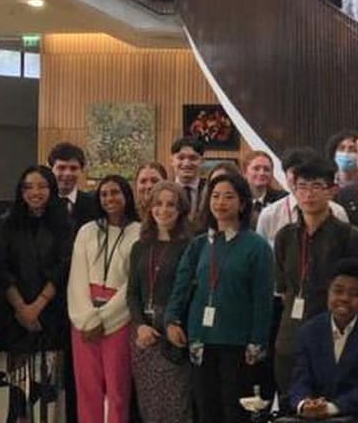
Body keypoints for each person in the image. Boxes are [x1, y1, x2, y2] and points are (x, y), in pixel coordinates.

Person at [165, 173, 274, 423]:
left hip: (238, 344)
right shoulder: (199, 244)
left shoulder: (257, 247)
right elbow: (180, 287)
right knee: (206, 410)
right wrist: (171, 320)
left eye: (228, 196)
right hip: (200, 340)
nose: (220, 202)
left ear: (243, 203)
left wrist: (257, 343)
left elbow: (263, 301)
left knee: (234, 412)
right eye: (215, 196)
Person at [273, 158, 358, 395]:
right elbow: (283, 288)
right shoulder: (285, 236)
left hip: (331, 335)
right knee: (289, 405)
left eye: (316, 186)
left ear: (332, 190)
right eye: (302, 187)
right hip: (289, 336)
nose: (308, 194)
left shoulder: (349, 236)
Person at [0, 166, 73, 423]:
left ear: (51, 189)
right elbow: (1, 268)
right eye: (28, 186)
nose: (35, 192)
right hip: (14, 320)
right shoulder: (6, 224)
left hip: (50, 319)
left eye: (41, 186)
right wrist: (21, 308)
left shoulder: (64, 224)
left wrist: (36, 307)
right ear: (21, 191)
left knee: (48, 395)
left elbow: (63, 268)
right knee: (16, 393)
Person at [67, 174, 141, 423]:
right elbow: (77, 278)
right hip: (84, 319)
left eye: (115, 192)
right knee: (87, 389)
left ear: (126, 196)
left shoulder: (140, 232)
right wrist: (87, 320)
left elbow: (132, 284)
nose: (110, 198)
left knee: (117, 388)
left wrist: (104, 319)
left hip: (118, 319)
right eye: (104, 194)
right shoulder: (87, 231)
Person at [286, 259, 358, 421]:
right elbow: (300, 379)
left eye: (354, 294)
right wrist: (303, 404)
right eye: (338, 291)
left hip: (356, 416)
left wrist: (330, 408)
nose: (344, 298)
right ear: (328, 293)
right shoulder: (308, 331)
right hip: (313, 417)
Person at [126, 181, 192, 423]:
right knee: (149, 408)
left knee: (176, 407)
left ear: (181, 210)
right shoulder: (140, 247)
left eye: (171, 205)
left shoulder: (190, 246)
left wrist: (171, 323)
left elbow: (187, 293)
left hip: (172, 334)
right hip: (144, 336)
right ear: (150, 208)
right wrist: (140, 325)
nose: (163, 210)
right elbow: (132, 292)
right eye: (158, 204)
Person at [47, 140, 100, 231]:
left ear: (81, 170)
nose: (67, 173)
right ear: (51, 169)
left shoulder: (94, 204)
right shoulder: (41, 203)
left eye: (73, 168)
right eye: (61, 168)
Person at [243, 150, 288, 228]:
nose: (261, 173)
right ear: (245, 172)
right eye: (256, 168)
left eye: (266, 169)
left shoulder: (282, 199)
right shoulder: (237, 199)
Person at [170, 135, 206, 230]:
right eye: (181, 158)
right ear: (172, 161)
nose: (186, 163)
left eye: (193, 158)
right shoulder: (165, 191)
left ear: (202, 161)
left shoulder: (211, 190)